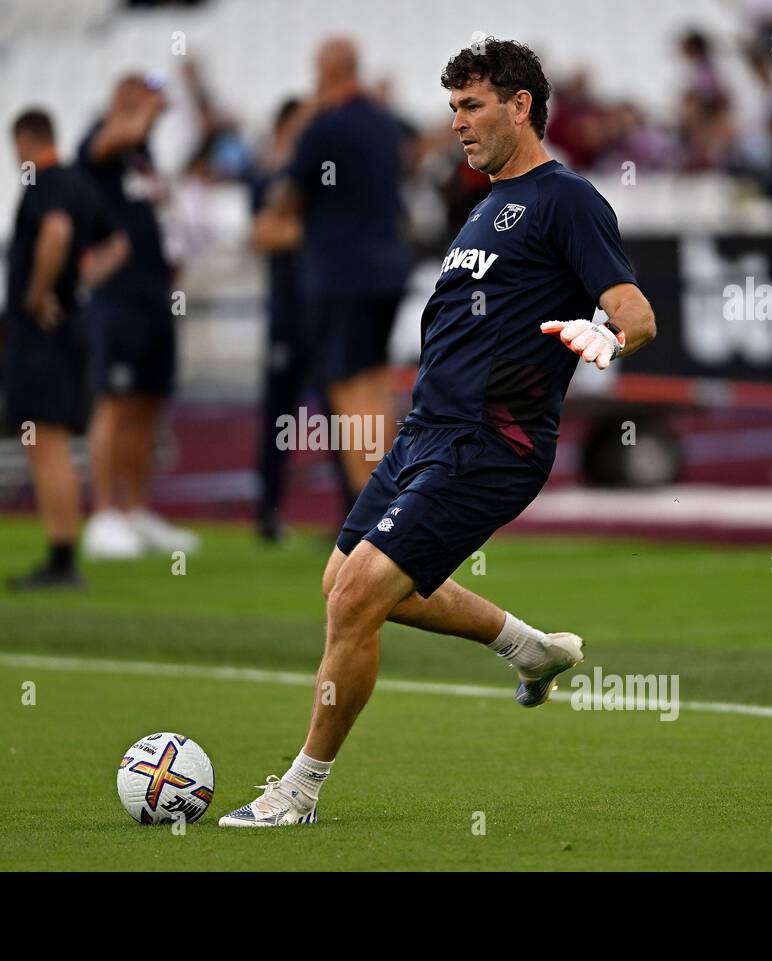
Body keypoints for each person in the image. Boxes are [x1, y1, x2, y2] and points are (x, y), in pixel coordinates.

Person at [219, 38, 657, 828]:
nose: (457, 121)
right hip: (427, 435)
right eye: (452, 107)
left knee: (355, 599)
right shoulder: (483, 204)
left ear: (521, 106)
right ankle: (530, 647)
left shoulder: (568, 199)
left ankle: (299, 790)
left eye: (473, 105)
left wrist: (609, 338)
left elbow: (634, 311)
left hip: (492, 443)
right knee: (343, 586)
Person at [262, 38, 411, 502]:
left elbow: (287, 195)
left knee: (347, 389)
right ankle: (390, 497)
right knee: (373, 382)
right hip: (386, 269)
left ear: (326, 70)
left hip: (340, 272)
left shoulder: (323, 128)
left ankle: (370, 508)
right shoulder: (386, 124)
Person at [4, 109, 129, 589]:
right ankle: (61, 552)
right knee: (50, 439)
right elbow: (117, 246)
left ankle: (61, 555)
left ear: (24, 141)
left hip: (42, 335)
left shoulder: (46, 181)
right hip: (70, 328)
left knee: (46, 442)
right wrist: (79, 285)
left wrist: (38, 295)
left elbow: (55, 233)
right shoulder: (81, 184)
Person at [78, 74, 199, 558]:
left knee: (148, 403)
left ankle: (135, 507)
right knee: (116, 401)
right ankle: (104, 511)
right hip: (118, 298)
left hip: (154, 296)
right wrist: (146, 104)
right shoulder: (99, 143)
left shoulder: (142, 160)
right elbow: (119, 134)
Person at [250, 97, 313, 541]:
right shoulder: (273, 179)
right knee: (279, 417)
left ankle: (354, 511)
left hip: (324, 312)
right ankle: (267, 511)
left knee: (343, 416)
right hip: (289, 314)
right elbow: (264, 234)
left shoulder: (314, 181)